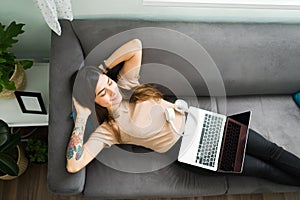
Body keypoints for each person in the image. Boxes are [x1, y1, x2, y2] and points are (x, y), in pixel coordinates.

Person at [67, 39, 300, 186]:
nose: (112, 92)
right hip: (189, 152)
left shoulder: (127, 85)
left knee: (272, 151)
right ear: (94, 101)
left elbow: (135, 45)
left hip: (204, 124)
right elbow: (74, 165)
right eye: (102, 94)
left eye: (108, 84)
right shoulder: (110, 130)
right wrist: (81, 117)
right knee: (261, 168)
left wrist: (101, 70)